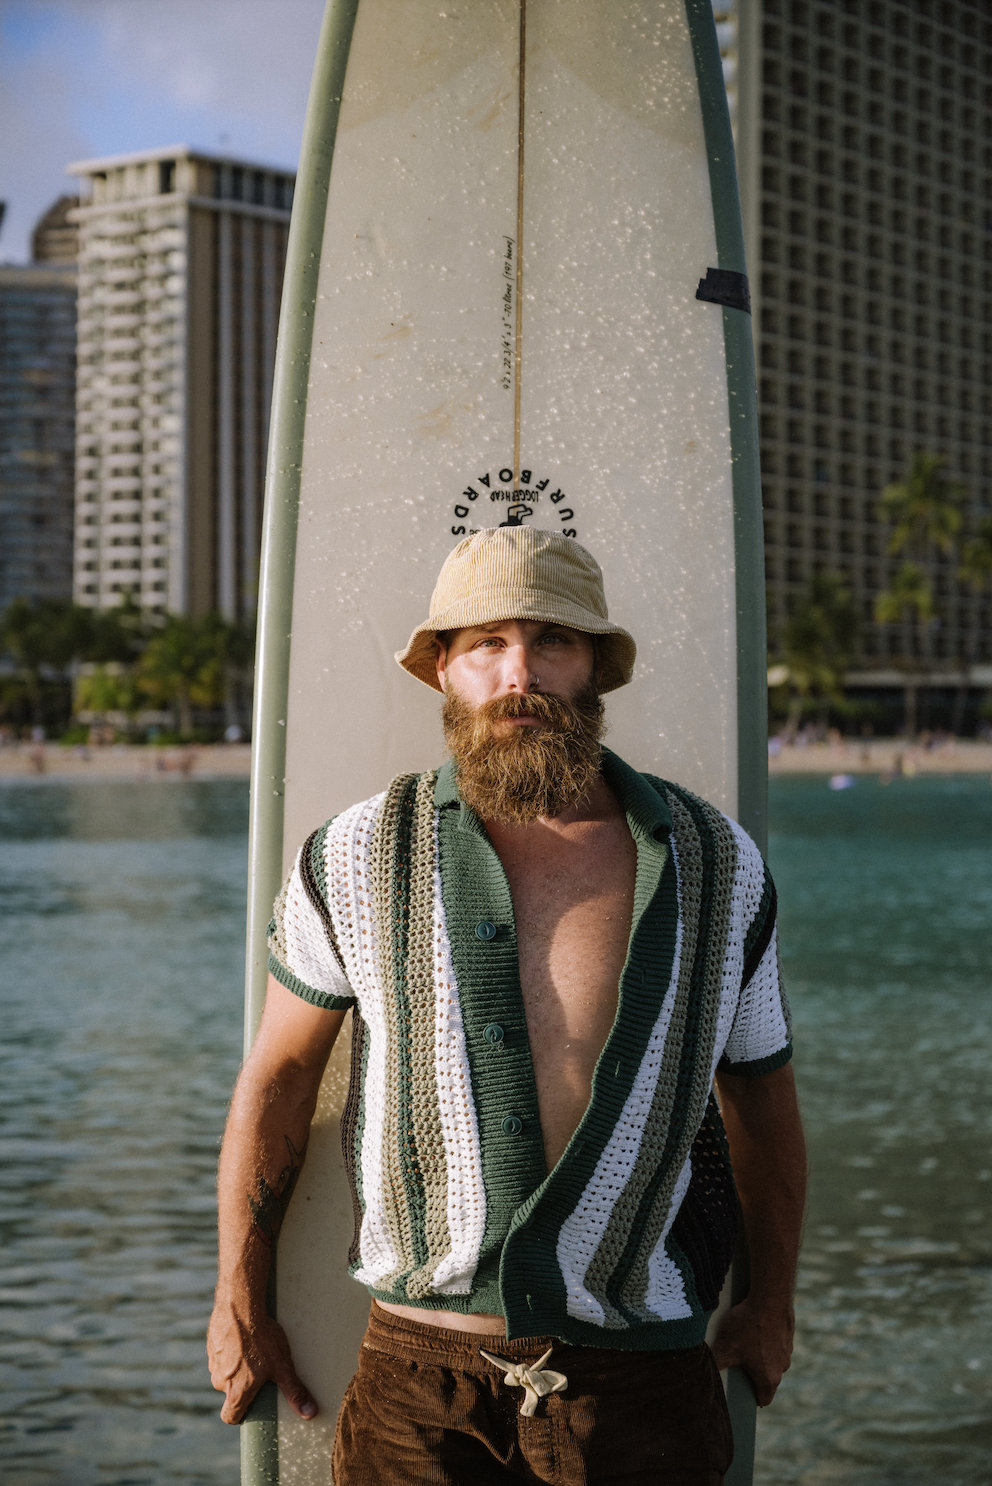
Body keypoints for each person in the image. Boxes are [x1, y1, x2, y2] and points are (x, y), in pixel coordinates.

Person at [208, 526, 806, 1485]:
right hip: (416, 1395)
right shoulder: (353, 855)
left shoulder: (717, 863)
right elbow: (279, 1076)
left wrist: (771, 1303)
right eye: (486, 643)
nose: (519, 673)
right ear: (443, 669)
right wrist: (240, 1298)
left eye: (552, 641)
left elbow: (763, 1101)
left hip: (644, 1391)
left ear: (594, 669)